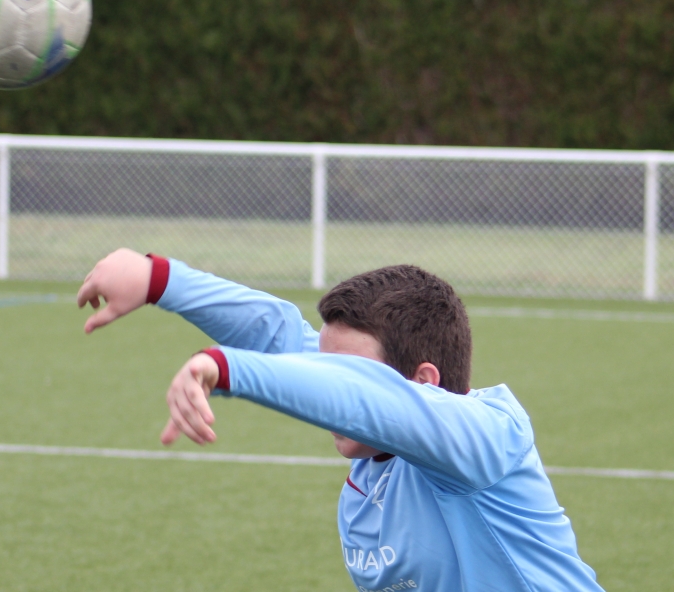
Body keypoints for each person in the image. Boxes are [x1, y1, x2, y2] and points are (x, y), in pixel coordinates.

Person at [77, 248, 604, 592]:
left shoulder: (486, 435)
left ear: (423, 381)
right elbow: (280, 336)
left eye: (346, 371)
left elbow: (362, 397)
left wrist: (225, 367)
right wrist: (158, 279)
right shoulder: (376, 462)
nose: (325, 379)